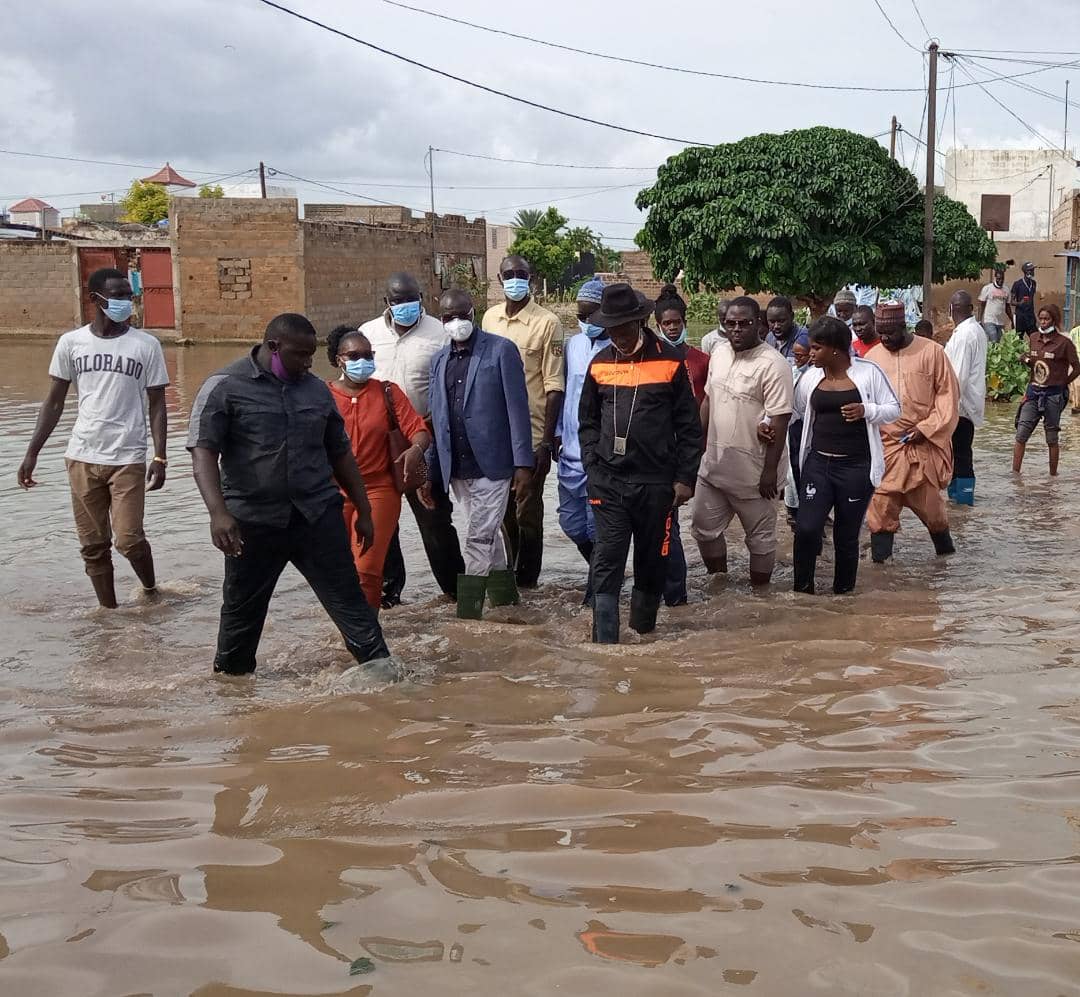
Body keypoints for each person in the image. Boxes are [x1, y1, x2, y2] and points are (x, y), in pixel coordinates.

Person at [187, 313, 392, 676]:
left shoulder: (315, 390)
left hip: (316, 516)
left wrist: (362, 508)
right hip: (252, 523)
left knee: (351, 605)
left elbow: (340, 453)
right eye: (300, 355)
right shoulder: (225, 386)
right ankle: (234, 694)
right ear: (274, 348)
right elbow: (203, 450)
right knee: (241, 614)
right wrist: (218, 513)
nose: (307, 363)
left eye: (312, 355)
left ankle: (385, 677)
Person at [17, 267, 169, 609]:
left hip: (127, 457)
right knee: (92, 545)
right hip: (82, 455)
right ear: (95, 299)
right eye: (116, 296)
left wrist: (160, 456)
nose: (123, 303)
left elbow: (157, 404)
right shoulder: (71, 343)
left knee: (128, 540)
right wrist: (32, 452)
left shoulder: (146, 345)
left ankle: (150, 590)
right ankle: (108, 615)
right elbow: (54, 401)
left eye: (127, 296)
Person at [578, 283, 703, 643]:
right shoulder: (600, 364)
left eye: (624, 328)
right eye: (611, 329)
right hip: (609, 482)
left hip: (657, 483)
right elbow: (586, 421)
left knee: (652, 562)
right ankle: (607, 648)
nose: (617, 336)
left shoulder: (670, 361)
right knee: (607, 561)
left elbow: (689, 427)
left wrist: (685, 478)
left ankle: (644, 639)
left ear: (640, 321)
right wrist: (592, 465)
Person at [424, 288, 534, 618]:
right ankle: (507, 605)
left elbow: (518, 410)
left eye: (462, 315)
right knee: (488, 537)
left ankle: (468, 615)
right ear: (441, 320)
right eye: (448, 317)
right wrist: (431, 469)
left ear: (474, 313)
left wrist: (523, 464)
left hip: (494, 464)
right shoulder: (439, 360)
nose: (456, 322)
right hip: (457, 465)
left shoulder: (501, 350)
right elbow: (437, 419)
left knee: (478, 536)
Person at [361, 272, 464, 607]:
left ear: (422, 297)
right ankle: (390, 596)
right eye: (397, 300)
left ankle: (455, 592)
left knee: (434, 519)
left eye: (411, 299)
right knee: (381, 522)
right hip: (378, 444)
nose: (405, 306)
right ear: (386, 303)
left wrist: (427, 429)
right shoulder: (368, 334)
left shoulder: (440, 334)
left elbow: (454, 386)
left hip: (426, 438)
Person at [791, 317, 900, 594]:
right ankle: (802, 593)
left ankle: (843, 596)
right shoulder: (810, 377)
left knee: (846, 535)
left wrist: (867, 411)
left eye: (816, 348)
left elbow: (894, 409)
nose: (810, 353)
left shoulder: (869, 373)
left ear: (835, 349)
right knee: (806, 528)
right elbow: (797, 410)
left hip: (856, 467)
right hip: (818, 463)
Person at [326, 325, 430, 612]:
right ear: (338, 360)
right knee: (338, 570)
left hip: (378, 490)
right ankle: (346, 632)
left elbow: (418, 429)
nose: (363, 361)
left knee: (367, 569)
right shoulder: (322, 396)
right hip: (332, 493)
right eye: (354, 355)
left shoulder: (387, 392)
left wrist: (416, 449)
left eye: (368, 355)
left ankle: (367, 636)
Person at [692, 297, 793, 587]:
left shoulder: (773, 365)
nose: (736, 329)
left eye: (744, 323)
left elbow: (780, 420)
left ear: (759, 325)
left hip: (755, 474)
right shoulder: (720, 353)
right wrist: (696, 447)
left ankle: (761, 596)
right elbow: (709, 401)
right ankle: (719, 585)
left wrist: (770, 471)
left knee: (760, 542)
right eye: (730, 324)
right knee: (703, 529)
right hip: (713, 468)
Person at [482, 255, 564, 589]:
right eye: (509, 275)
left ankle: (529, 580)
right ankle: (510, 575)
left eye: (522, 274)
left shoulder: (548, 323)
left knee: (527, 508)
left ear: (531, 278)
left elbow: (554, 385)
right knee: (500, 511)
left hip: (532, 433)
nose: (515, 280)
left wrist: (547, 441)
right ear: (499, 280)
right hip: (494, 435)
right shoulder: (489, 319)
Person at [865, 301, 960, 563]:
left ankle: (946, 565)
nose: (885, 338)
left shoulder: (933, 352)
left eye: (890, 333)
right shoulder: (871, 358)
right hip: (886, 451)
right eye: (880, 333)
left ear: (903, 326)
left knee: (935, 516)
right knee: (880, 513)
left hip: (923, 448)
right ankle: (881, 573)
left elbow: (948, 397)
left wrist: (925, 428)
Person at [654, 284, 709, 606]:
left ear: (685, 321)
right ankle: (668, 593)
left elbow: (710, 402)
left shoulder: (701, 359)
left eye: (677, 322)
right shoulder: (653, 359)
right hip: (660, 451)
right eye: (666, 324)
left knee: (675, 524)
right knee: (666, 525)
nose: (672, 327)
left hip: (691, 447)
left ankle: (676, 594)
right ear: (658, 325)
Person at [557, 279, 609, 590]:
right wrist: (557, 435)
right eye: (581, 315)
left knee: (596, 526)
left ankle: (599, 588)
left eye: (592, 315)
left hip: (602, 455)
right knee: (571, 524)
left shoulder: (617, 349)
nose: (586, 322)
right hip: (570, 451)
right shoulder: (573, 345)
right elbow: (565, 392)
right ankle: (603, 568)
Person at [1013, 304, 1080, 476]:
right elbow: (1034, 367)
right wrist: (1026, 360)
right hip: (1033, 392)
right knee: (1021, 435)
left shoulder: (1064, 343)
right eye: (1041, 318)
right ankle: (1015, 475)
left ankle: (1052, 477)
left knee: (1051, 438)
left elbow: (1076, 367)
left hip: (1054, 395)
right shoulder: (1034, 338)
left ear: (1054, 320)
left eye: (1046, 319)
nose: (1043, 322)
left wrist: (1064, 382)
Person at [943, 291, 987, 506]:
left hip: (960, 405)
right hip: (968, 403)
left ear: (951, 309)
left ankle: (962, 502)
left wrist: (945, 407)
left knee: (960, 455)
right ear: (970, 309)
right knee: (959, 454)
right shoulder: (975, 330)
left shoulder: (964, 335)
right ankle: (958, 502)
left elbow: (957, 376)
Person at [765, 296, 809, 365]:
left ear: (792, 317)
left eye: (781, 321)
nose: (776, 326)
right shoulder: (770, 338)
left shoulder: (804, 337)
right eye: (772, 322)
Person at [978, 264, 1012, 344]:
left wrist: (1012, 320)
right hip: (989, 320)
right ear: (995, 277)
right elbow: (982, 305)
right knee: (993, 339)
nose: (1000, 281)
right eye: (999, 278)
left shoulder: (1006, 290)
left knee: (998, 343)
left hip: (1000, 322)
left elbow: (1007, 307)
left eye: (1002, 279)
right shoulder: (988, 288)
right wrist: (979, 320)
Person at [1010, 262, 1038, 342]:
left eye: (1033, 270)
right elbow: (1012, 301)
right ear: (1026, 272)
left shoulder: (1034, 284)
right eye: (1030, 270)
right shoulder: (1017, 284)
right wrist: (1020, 303)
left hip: (1030, 316)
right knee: (1018, 339)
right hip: (1020, 316)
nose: (1032, 272)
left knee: (1036, 338)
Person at [1070, 319, 1080, 414]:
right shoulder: (1074, 331)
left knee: (1075, 383)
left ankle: (1075, 404)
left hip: (1075, 359)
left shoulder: (1073, 331)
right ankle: (1076, 405)